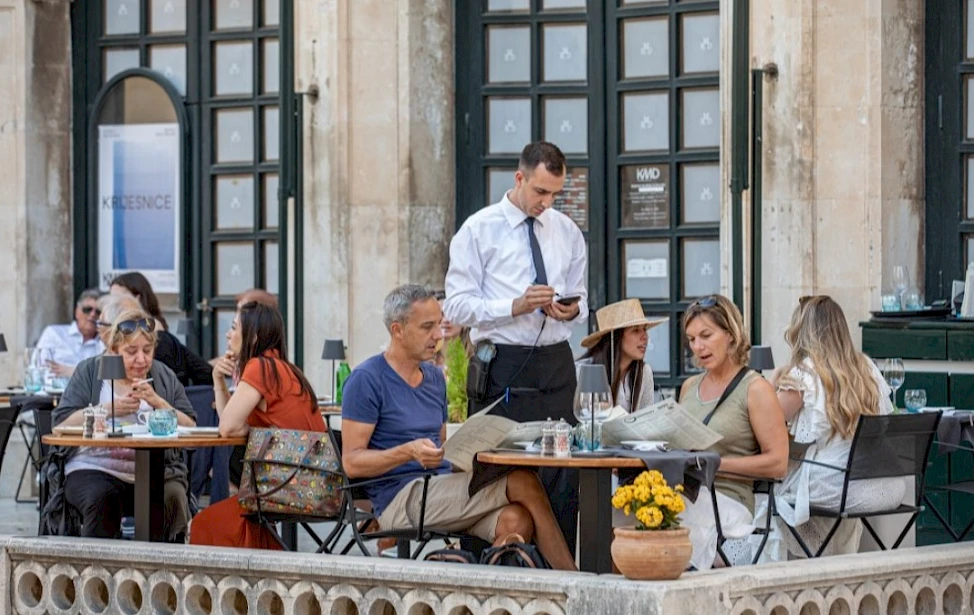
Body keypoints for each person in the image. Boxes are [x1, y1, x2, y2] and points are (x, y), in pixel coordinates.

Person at [342, 285, 577, 570]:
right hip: (399, 500)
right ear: (397, 330)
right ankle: (573, 582)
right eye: (427, 327)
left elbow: (442, 448)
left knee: (516, 519)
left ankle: (484, 598)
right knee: (522, 479)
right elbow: (352, 463)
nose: (438, 336)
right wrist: (408, 452)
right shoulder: (366, 379)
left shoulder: (433, 378)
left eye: (439, 326)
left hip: (439, 488)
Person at [443, 141, 587, 551]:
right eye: (540, 191)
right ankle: (492, 569)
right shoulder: (478, 229)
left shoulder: (568, 231)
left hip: (556, 364)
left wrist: (571, 311)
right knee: (497, 472)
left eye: (555, 194)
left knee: (563, 475)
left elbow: (581, 297)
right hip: (502, 366)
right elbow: (456, 305)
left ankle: (560, 581)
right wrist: (515, 305)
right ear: (519, 178)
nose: (547, 202)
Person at [760, 295, 906, 561]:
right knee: (803, 478)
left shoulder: (805, 373)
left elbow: (765, 420)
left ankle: (803, 562)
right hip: (889, 486)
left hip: (843, 486)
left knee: (774, 493)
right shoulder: (866, 366)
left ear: (802, 331)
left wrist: (772, 380)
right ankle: (830, 555)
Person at [43, 308, 197, 540]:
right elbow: (60, 424)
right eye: (131, 351)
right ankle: (98, 572)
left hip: (156, 469)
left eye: (147, 350)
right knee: (103, 497)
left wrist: (158, 402)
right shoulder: (91, 371)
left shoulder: (162, 375)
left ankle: (164, 569)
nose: (141, 359)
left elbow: (191, 428)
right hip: (94, 466)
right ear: (114, 350)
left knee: (172, 496)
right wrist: (105, 410)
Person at [190, 301, 324, 549]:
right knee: (245, 519)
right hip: (318, 485)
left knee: (202, 524)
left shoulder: (260, 367)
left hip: (286, 487)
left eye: (233, 327)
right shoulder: (286, 369)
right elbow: (232, 424)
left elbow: (227, 428)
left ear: (253, 337)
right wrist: (218, 379)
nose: (228, 335)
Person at [678, 294, 788, 569]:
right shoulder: (689, 387)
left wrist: (714, 464)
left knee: (651, 516)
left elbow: (778, 463)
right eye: (692, 339)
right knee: (625, 508)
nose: (698, 346)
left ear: (730, 335)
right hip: (687, 491)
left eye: (706, 335)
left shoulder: (755, 389)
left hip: (728, 501)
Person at [110, 272, 213, 386]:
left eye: (147, 350)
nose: (112, 304)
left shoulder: (160, 336)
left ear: (137, 299)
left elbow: (201, 371)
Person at [577, 298, 667, 413]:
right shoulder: (586, 371)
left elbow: (647, 417)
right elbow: (581, 418)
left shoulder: (644, 372)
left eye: (644, 329)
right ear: (616, 337)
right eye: (635, 331)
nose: (645, 336)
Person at [35, 289, 105, 379]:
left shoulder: (104, 342)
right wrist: (87, 373)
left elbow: (106, 377)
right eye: (87, 310)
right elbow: (40, 368)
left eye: (98, 312)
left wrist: (72, 371)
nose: (92, 314)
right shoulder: (53, 333)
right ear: (77, 312)